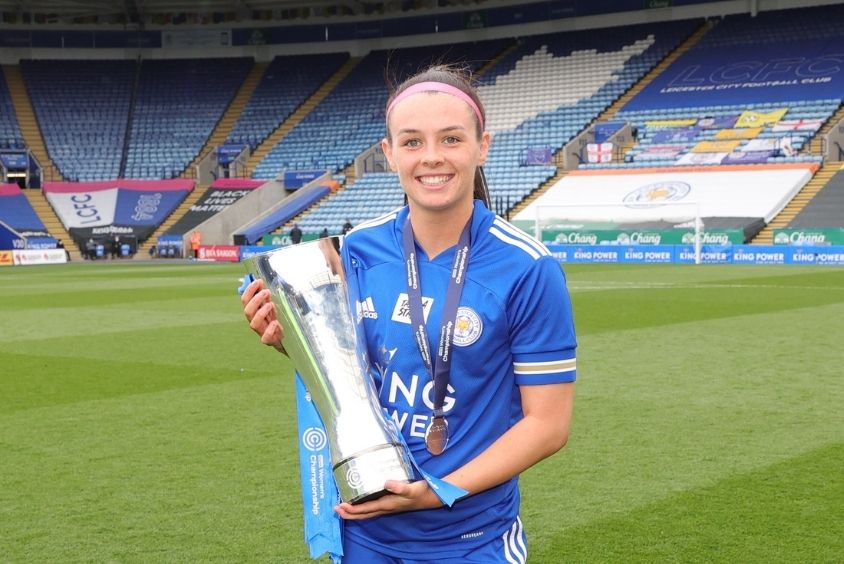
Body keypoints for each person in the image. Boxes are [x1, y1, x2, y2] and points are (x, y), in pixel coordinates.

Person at [241, 64, 576, 562]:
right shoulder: (352, 251)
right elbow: (342, 371)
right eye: (413, 141)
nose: (432, 158)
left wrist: (436, 490)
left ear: (482, 147)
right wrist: (285, 334)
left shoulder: (527, 268)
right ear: (389, 153)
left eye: (451, 138)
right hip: (362, 535)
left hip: (469, 541)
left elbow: (547, 425)